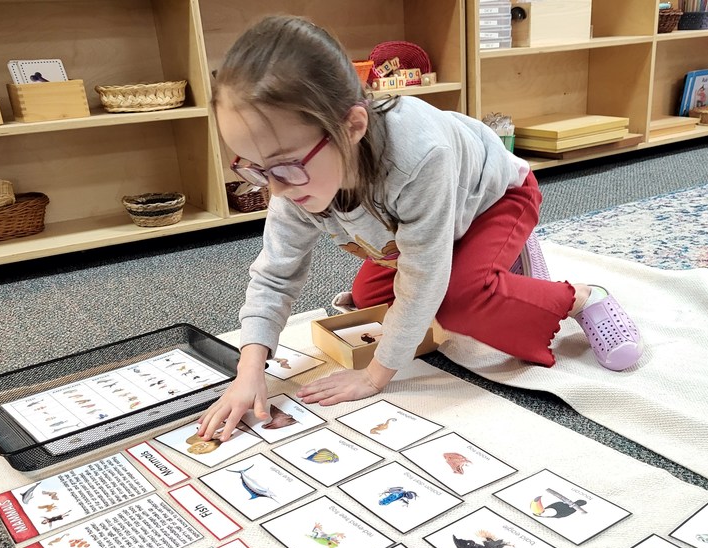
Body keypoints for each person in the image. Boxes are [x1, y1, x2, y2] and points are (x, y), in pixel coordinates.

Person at [198, 15, 642, 442]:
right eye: (254, 168)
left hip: (493, 200)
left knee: (455, 302)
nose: (274, 189)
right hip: (418, 226)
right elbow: (275, 274)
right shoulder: (292, 177)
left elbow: (424, 278)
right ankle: (491, 272)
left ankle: (582, 296)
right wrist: (249, 371)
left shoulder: (418, 154)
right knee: (371, 299)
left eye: (284, 167)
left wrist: (373, 377)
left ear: (351, 127)